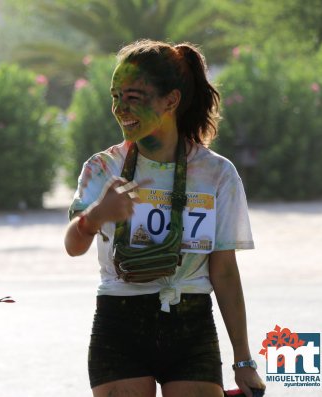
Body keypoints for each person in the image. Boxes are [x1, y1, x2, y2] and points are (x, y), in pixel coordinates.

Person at [64, 40, 266, 397]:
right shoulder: (102, 167)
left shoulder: (217, 174)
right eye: (115, 96)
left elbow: (224, 270)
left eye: (133, 96)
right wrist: (97, 215)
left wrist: (244, 360)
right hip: (119, 322)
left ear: (170, 101)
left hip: (191, 325)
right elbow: (73, 246)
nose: (119, 108)